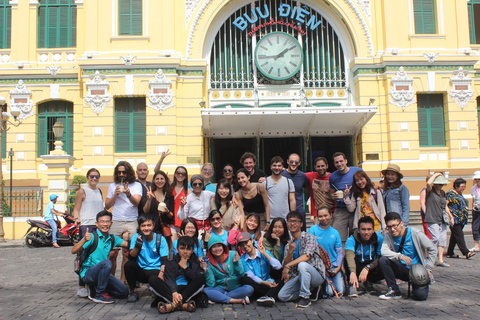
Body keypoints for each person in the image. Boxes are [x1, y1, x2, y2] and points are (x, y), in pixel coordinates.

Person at [71, 210, 130, 304]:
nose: (105, 224)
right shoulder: (91, 237)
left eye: (107, 222)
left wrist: (128, 239)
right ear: (97, 224)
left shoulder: (112, 238)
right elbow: (73, 250)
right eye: (102, 222)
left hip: (103, 274)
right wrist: (84, 241)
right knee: (107, 263)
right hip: (88, 274)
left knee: (124, 292)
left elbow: (127, 245)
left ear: (111, 223)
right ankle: (99, 294)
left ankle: (95, 289)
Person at [378, 212, 437, 300]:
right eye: (389, 227)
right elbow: (383, 251)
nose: (392, 229)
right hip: (402, 269)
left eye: (395, 226)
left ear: (401, 223)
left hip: (417, 272)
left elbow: (432, 249)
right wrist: (400, 256)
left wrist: (428, 268)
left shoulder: (415, 233)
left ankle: (416, 286)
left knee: (421, 296)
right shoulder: (388, 235)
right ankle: (394, 290)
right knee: (383, 260)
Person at [278, 211, 326, 308]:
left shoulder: (309, 237)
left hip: (316, 274)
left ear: (301, 224)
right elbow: (285, 265)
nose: (292, 223)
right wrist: (290, 252)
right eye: (290, 221)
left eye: (295, 221)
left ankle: (305, 297)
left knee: (302, 265)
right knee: (282, 296)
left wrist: (288, 265)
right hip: (300, 277)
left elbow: (306, 256)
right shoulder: (288, 245)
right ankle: (311, 290)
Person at [105, 161, 142, 283]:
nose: (121, 174)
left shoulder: (136, 185)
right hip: (116, 221)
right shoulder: (112, 186)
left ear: (128, 172)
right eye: (119, 172)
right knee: (112, 253)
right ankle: (111, 281)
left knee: (127, 253)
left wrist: (128, 194)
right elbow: (107, 206)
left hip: (131, 221)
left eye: (123, 171)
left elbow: (136, 202)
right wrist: (115, 195)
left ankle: (122, 282)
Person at [149, 236, 206, 314]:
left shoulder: (195, 262)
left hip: (187, 290)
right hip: (172, 290)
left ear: (192, 250)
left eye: (188, 249)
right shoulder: (171, 263)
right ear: (177, 249)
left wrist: (186, 268)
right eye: (182, 248)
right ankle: (183, 305)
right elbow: (169, 279)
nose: (185, 252)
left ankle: (173, 305)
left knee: (201, 278)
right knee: (153, 279)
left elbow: (195, 279)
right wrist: (174, 292)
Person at [72, 168, 105, 297]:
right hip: (86, 225)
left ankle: (93, 283)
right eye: (92, 176)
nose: (94, 179)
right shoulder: (82, 191)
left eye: (97, 176)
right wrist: (76, 219)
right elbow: (76, 208)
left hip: (99, 226)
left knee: (97, 256)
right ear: (87, 177)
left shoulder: (99, 191)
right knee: (84, 256)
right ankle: (81, 285)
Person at [124, 215, 169, 302]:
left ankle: (155, 289)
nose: (146, 228)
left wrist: (162, 273)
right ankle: (134, 291)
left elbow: (164, 259)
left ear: (153, 226)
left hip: (156, 270)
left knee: (155, 278)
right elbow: (130, 257)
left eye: (149, 225)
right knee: (128, 265)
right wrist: (137, 246)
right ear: (140, 227)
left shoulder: (160, 239)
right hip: (142, 270)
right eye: (143, 226)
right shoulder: (136, 237)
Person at [204, 235, 254, 304]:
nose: (217, 249)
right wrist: (206, 271)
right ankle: (234, 300)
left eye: (219, 246)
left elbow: (241, 274)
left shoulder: (233, 254)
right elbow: (211, 284)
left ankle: (219, 298)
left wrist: (236, 264)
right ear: (210, 250)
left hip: (236, 288)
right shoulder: (209, 262)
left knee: (249, 289)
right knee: (206, 290)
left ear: (223, 247)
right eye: (214, 247)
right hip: (221, 289)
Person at [237, 232, 283, 307]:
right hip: (257, 285)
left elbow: (278, 266)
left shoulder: (262, 252)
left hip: (269, 281)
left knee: (281, 277)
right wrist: (264, 283)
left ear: (252, 240)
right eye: (242, 245)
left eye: (246, 242)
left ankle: (266, 296)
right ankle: (269, 295)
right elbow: (251, 276)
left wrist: (264, 253)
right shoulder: (242, 259)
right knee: (244, 278)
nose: (245, 246)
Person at [153, 150, 191, 240]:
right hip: (172, 222)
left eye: (183, 174)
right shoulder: (170, 186)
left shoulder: (188, 191)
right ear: (175, 174)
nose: (180, 175)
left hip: (183, 222)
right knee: (173, 247)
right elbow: (156, 171)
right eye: (178, 173)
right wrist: (161, 158)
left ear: (185, 176)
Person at [308, 207, 344, 298]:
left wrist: (338, 267)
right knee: (329, 293)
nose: (323, 218)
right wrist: (322, 269)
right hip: (319, 268)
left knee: (341, 291)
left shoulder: (335, 233)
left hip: (333, 267)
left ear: (331, 215)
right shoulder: (312, 230)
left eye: (325, 215)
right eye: (320, 216)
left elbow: (339, 252)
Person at [345, 216, 384, 297]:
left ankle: (368, 282)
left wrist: (368, 267)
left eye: (369, 229)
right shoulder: (352, 239)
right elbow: (349, 256)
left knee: (384, 260)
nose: (366, 232)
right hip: (357, 265)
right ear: (358, 230)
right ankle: (352, 284)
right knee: (346, 259)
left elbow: (380, 256)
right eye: (363, 229)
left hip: (371, 266)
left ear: (373, 230)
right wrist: (352, 272)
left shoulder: (379, 238)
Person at [329, 152, 361, 243]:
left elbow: (366, 184)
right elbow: (331, 193)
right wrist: (333, 196)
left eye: (341, 161)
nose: (339, 164)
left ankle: (353, 256)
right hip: (340, 209)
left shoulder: (357, 171)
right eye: (336, 162)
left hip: (355, 208)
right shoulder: (333, 176)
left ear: (346, 161)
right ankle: (341, 257)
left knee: (356, 236)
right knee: (338, 237)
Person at [425, 172, 454, 267]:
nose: (440, 185)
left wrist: (451, 216)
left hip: (442, 219)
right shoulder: (430, 191)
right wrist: (436, 174)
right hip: (432, 218)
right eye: (438, 183)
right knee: (435, 238)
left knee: (442, 239)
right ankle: (430, 257)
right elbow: (428, 183)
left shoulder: (442, 193)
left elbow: (445, 205)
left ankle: (440, 260)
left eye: (441, 183)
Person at [142, 171, 174, 248]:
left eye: (162, 179)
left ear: (165, 180)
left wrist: (167, 212)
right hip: (151, 227)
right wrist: (149, 199)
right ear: (153, 180)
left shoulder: (169, 195)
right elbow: (145, 211)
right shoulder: (149, 193)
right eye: (157, 179)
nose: (159, 181)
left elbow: (171, 216)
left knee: (164, 250)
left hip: (164, 228)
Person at [446, 178, 476, 259]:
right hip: (454, 219)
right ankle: (466, 252)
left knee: (454, 237)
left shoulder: (459, 194)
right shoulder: (450, 194)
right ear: (456, 186)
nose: (464, 188)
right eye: (462, 186)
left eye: (464, 186)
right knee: (459, 236)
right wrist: (450, 216)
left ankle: (450, 252)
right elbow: (445, 205)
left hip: (461, 219)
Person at [264, 156, 296, 225]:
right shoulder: (265, 182)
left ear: (282, 167)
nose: (277, 168)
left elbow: (292, 200)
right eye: (274, 166)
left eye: (279, 166)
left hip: (285, 218)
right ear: (271, 167)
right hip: (270, 219)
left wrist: (293, 217)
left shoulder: (289, 182)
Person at [281, 153, 309, 231]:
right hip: (284, 208)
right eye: (291, 161)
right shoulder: (281, 174)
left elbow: (309, 190)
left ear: (299, 163)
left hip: (299, 209)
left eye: (296, 162)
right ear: (287, 162)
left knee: (301, 232)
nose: (293, 164)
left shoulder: (302, 176)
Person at [305, 157, 333, 223]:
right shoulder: (311, 176)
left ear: (327, 166)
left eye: (323, 166)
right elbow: (297, 174)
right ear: (315, 167)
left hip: (332, 213)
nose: (320, 168)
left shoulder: (332, 177)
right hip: (317, 215)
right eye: (318, 166)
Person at [419, 175, 433, 239]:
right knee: (428, 233)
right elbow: (422, 203)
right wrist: (426, 214)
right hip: (427, 215)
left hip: (433, 214)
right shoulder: (424, 190)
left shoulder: (432, 190)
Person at [470, 171, 480, 252]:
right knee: (475, 227)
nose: (477, 181)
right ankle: (476, 245)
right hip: (476, 210)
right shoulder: (473, 188)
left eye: (479, 179)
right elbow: (473, 199)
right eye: (476, 179)